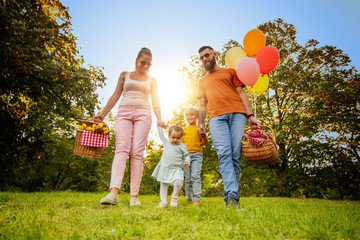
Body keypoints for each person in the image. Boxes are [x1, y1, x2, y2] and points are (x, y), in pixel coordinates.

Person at [94, 47, 163, 206]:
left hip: (143, 114)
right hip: (124, 113)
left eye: (148, 64)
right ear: (136, 60)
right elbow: (116, 95)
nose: (145, 67)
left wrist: (159, 118)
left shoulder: (152, 81)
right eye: (143, 63)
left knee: (137, 152)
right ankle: (113, 193)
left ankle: (134, 196)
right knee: (121, 148)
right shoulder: (124, 75)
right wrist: (103, 114)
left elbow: (156, 102)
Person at [197, 46, 260, 207]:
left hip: (238, 115)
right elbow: (202, 105)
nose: (204, 59)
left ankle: (232, 196)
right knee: (224, 153)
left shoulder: (230, 72)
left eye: (206, 55)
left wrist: (251, 115)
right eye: (201, 58)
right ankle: (232, 196)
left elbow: (241, 93)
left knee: (235, 155)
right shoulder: (202, 81)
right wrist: (200, 123)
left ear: (214, 55)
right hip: (216, 119)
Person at [151, 125, 190, 208]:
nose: (175, 140)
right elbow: (161, 135)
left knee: (178, 182)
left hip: (177, 169)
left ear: (181, 138)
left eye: (178, 138)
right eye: (173, 137)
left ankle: (174, 197)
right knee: (164, 185)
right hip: (165, 168)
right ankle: (163, 202)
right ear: (169, 136)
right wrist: (159, 126)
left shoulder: (182, 146)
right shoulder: (167, 142)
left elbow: (186, 155)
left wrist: (187, 162)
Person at [182, 107, 208, 206]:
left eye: (192, 114)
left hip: (197, 155)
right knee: (188, 178)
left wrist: (204, 135)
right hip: (186, 156)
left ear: (196, 116)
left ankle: (196, 199)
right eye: (187, 115)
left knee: (195, 176)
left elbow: (205, 143)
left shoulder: (199, 129)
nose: (190, 116)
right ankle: (189, 198)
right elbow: (180, 145)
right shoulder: (183, 130)